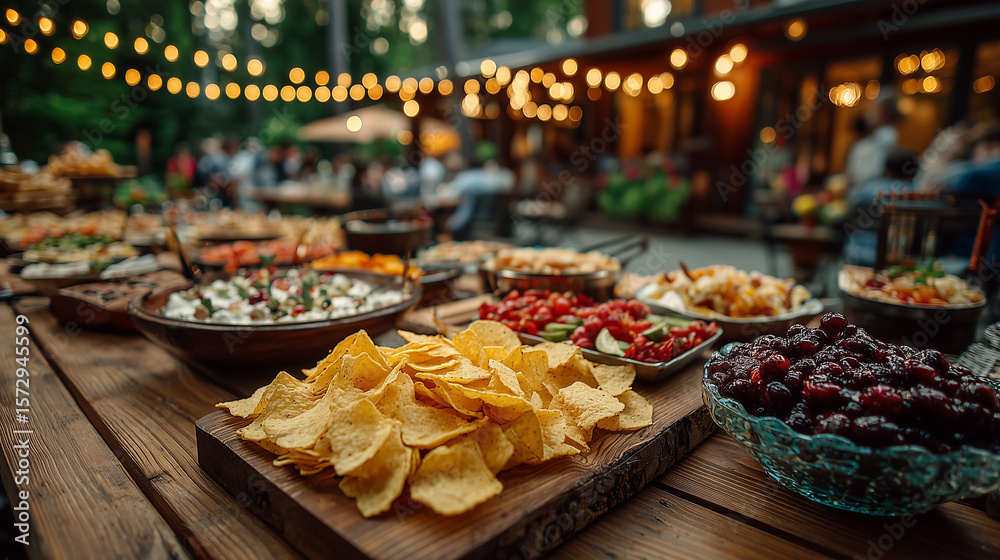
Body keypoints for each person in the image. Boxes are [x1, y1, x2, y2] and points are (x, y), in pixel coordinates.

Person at [842, 149, 918, 266]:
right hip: (894, 260)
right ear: (912, 173)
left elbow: (847, 213)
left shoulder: (865, 187)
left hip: (854, 253)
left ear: (887, 169)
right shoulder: (912, 193)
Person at [844, 98, 901, 187]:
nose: (873, 114)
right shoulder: (860, 145)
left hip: (873, 183)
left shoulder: (887, 134)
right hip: (861, 185)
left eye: (877, 110)